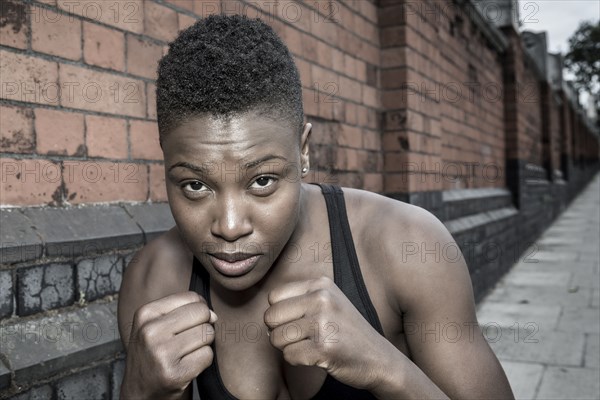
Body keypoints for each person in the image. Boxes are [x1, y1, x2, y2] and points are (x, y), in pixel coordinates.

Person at [117, 14, 514, 400]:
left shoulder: (407, 246)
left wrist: (385, 369)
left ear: (303, 151)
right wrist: (138, 391)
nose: (231, 226)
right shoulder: (152, 282)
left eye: (262, 181)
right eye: (195, 185)